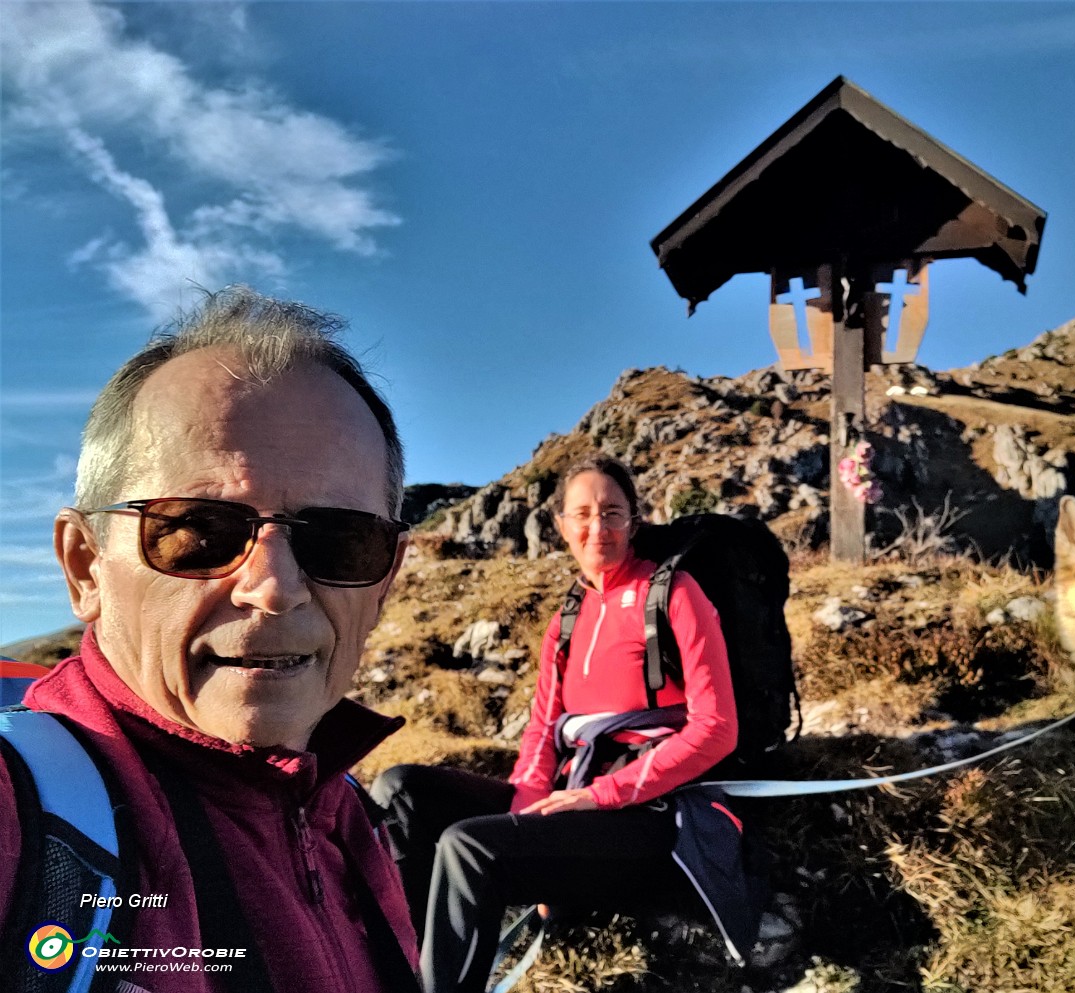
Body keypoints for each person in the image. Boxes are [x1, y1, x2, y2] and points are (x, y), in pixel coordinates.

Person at [0, 287, 420, 992]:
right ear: (85, 566)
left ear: (384, 581)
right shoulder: (21, 818)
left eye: (343, 542)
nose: (275, 587)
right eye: (198, 531)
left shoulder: (344, 810)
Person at [373, 455, 739, 993]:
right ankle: (403, 969)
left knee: (467, 846)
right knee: (400, 790)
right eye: (583, 514)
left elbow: (716, 728)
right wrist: (529, 831)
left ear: (635, 521)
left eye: (613, 512)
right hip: (571, 805)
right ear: (561, 525)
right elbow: (542, 731)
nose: (598, 528)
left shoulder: (674, 594)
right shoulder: (566, 619)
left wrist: (603, 796)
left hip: (650, 820)